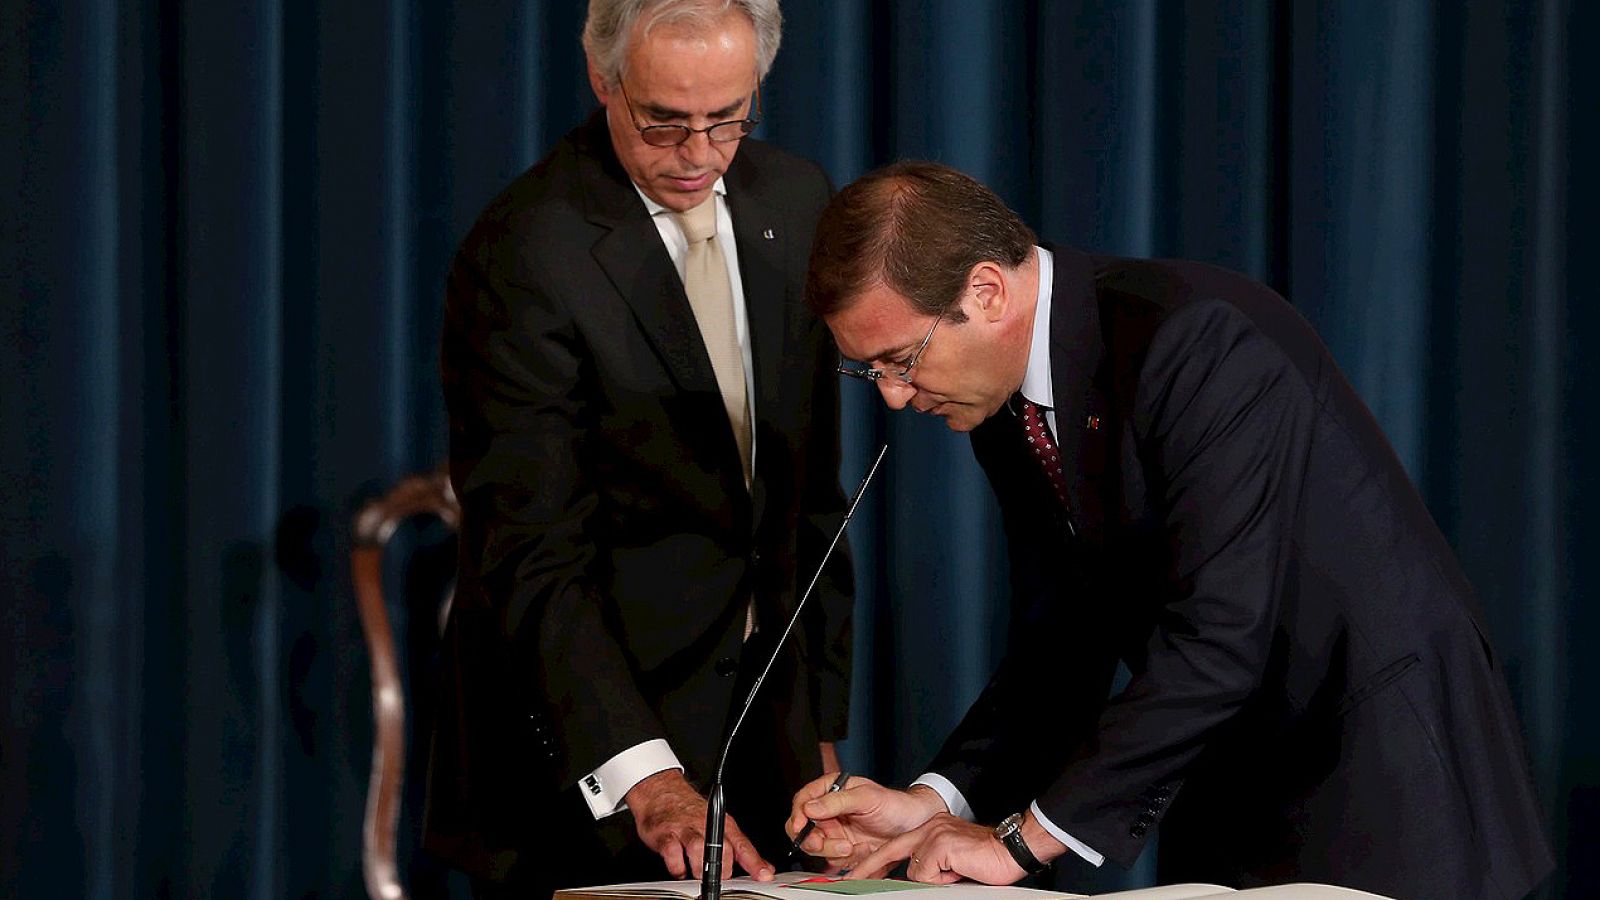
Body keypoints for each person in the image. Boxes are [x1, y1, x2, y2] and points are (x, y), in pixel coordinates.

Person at [786, 161, 1553, 900]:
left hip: (1379, 775)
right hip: (1226, 780)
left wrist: (1017, 840)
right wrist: (939, 799)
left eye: (900, 359)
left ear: (986, 291)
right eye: (868, 373)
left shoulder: (1195, 339)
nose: (891, 397)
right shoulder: (994, 393)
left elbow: (1218, 636)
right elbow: (1062, 640)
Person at [426, 2, 854, 897]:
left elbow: (810, 494)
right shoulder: (526, 251)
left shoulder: (798, 199)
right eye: (664, 121)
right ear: (602, 79)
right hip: (593, 754)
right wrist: (646, 776)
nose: (699, 153)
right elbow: (530, 549)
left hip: (768, 742)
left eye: (729, 117)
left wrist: (818, 725)